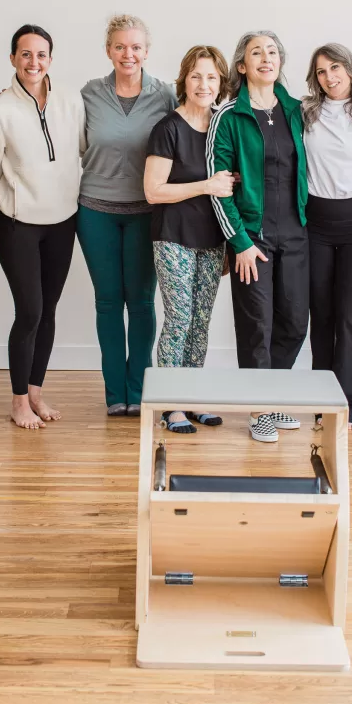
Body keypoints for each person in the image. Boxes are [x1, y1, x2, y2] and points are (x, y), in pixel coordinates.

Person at [207, 31, 309, 443]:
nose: (266, 58)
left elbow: (341, 145)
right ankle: (260, 409)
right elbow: (219, 185)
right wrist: (241, 243)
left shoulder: (298, 110)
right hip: (254, 238)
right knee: (257, 327)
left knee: (295, 322)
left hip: (297, 232)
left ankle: (275, 394)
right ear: (242, 65)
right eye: (256, 53)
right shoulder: (228, 115)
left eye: (272, 52)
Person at [0, 24, 85, 430]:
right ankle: (18, 401)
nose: (33, 62)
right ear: (12, 59)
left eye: (41, 54)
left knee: (49, 312)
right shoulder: (0, 109)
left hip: (63, 222)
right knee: (29, 311)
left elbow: (81, 149)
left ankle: (36, 391)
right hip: (17, 225)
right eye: (25, 54)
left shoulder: (69, 99)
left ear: (51, 59)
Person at [77, 15, 176, 416]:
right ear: (108, 51)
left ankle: (140, 392)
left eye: (135, 47)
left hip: (146, 212)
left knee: (140, 302)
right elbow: (53, 116)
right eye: (120, 46)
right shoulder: (89, 93)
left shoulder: (165, 94)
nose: (128, 54)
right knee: (107, 302)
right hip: (95, 210)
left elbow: (196, 122)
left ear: (147, 52)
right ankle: (114, 394)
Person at [144, 46, 234, 433]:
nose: (204, 84)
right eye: (197, 76)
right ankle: (170, 404)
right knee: (179, 319)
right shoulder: (168, 128)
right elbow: (153, 191)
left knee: (201, 321)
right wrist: (206, 185)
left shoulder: (222, 126)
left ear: (221, 83)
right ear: (185, 80)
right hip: (174, 239)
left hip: (213, 240)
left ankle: (191, 395)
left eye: (211, 77)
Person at [302, 44, 352, 430]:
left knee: (348, 317)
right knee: (323, 315)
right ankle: (322, 404)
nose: (329, 77)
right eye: (320, 72)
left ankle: (349, 406)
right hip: (314, 222)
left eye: (335, 68)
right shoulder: (304, 113)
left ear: (349, 68)